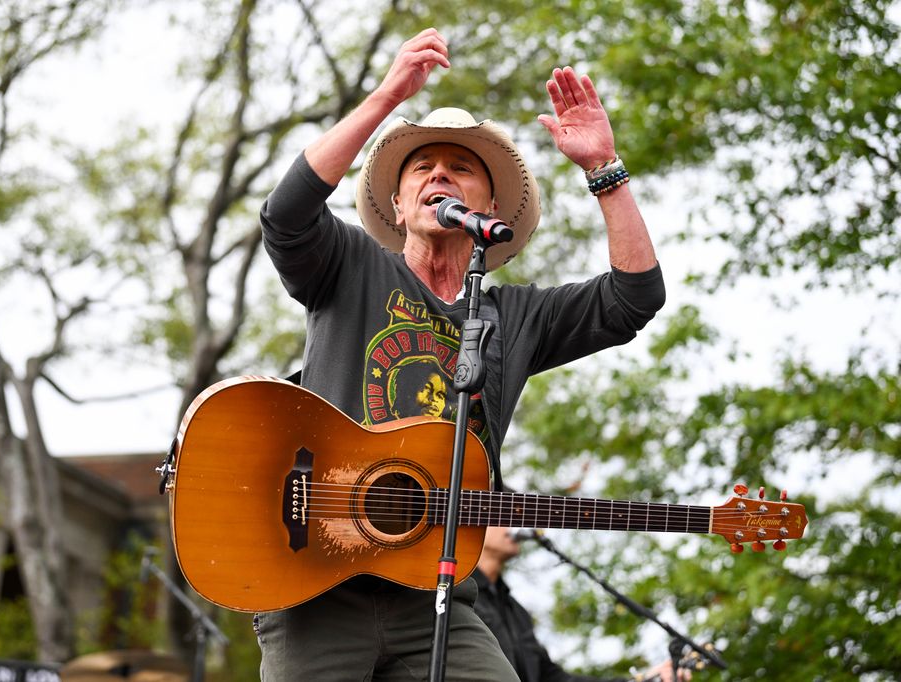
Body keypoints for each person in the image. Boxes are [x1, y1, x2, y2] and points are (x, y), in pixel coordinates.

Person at [256, 27, 665, 681]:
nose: (440, 173)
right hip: (314, 586)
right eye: (422, 167)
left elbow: (634, 298)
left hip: (438, 600)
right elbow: (285, 214)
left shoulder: (516, 317)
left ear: (490, 206)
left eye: (460, 168)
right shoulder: (350, 265)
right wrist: (388, 97)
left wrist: (603, 172)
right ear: (396, 203)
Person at [474, 528, 689, 682]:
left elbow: (551, 677)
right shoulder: (449, 596)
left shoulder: (515, 610)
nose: (514, 522)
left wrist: (642, 679)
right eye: (502, 515)